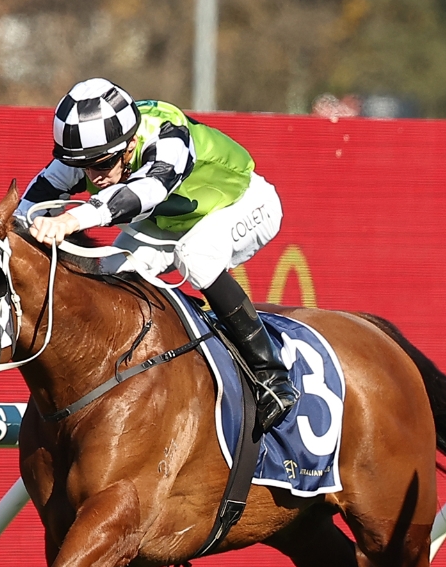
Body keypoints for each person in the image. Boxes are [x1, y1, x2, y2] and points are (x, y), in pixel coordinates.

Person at [21, 78, 300, 431]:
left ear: (130, 144)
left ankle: (271, 376)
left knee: (195, 256)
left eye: (103, 164)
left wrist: (72, 219)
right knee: (107, 271)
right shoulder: (95, 150)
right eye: (86, 166)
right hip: (170, 221)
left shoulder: (166, 134)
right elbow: (34, 200)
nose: (94, 176)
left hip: (243, 203)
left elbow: (147, 191)